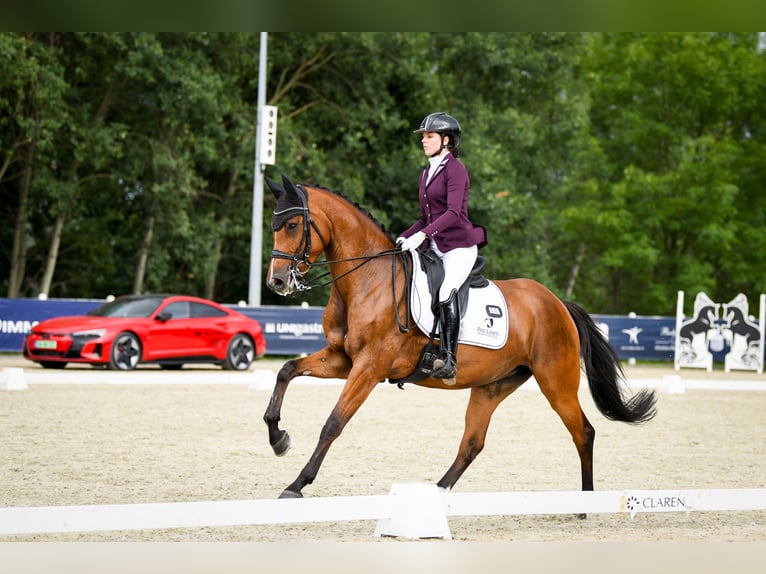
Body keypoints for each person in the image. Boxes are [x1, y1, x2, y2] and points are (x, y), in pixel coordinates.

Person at [396, 112, 487, 382]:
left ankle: (449, 358)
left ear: (446, 140)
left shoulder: (455, 169)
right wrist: (404, 237)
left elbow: (453, 213)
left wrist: (422, 235)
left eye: (429, 136)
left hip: (458, 246)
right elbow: (426, 218)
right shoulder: (426, 173)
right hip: (435, 246)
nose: (424, 140)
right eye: (423, 136)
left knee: (447, 290)